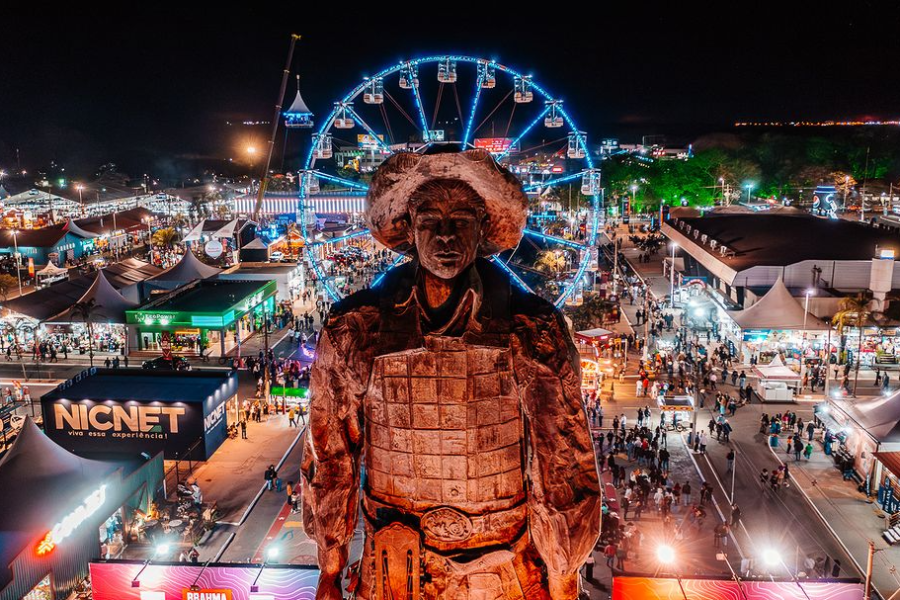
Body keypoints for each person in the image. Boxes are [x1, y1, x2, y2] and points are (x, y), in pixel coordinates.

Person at [300, 148, 601, 599]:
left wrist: (564, 569)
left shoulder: (530, 330)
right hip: (394, 568)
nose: (445, 236)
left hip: (504, 567)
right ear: (409, 228)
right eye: (430, 221)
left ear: (483, 228)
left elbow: (563, 461)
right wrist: (330, 563)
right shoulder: (358, 329)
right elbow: (330, 453)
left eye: (460, 220)